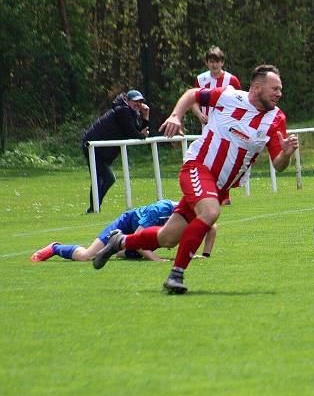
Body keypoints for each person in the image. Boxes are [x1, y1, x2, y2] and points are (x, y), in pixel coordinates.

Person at [92, 65, 299, 295]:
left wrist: (286, 154)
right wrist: (176, 116)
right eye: (275, 88)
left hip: (218, 188)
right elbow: (193, 94)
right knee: (210, 213)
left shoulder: (276, 118)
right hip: (197, 168)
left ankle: (120, 242)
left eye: (280, 89)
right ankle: (176, 275)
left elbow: (278, 164)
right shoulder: (230, 96)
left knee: (167, 238)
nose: (279, 93)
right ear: (257, 87)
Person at [30, 199, 216, 262]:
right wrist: (156, 259)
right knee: (88, 256)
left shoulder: (194, 211)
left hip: (136, 238)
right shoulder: (159, 210)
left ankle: (121, 250)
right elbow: (139, 238)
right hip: (125, 226)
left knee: (123, 255)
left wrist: (204, 255)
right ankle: (55, 248)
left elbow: (212, 228)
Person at [82, 90, 150, 212]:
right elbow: (134, 133)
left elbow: (139, 131)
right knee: (102, 178)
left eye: (140, 102)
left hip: (100, 149)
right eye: (135, 101)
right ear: (127, 100)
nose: (138, 104)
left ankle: (93, 208)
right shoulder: (123, 111)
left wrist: (145, 116)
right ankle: (93, 209)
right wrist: (141, 135)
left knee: (108, 178)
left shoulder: (128, 112)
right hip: (93, 146)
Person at [191, 46, 242, 205]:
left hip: (226, 126)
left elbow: (240, 102)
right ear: (206, 62)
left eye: (217, 61)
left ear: (222, 62)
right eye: (211, 61)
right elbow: (193, 99)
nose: (214, 65)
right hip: (207, 126)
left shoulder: (231, 80)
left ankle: (224, 195)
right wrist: (199, 114)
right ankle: (212, 193)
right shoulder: (201, 79)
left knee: (224, 159)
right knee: (208, 160)